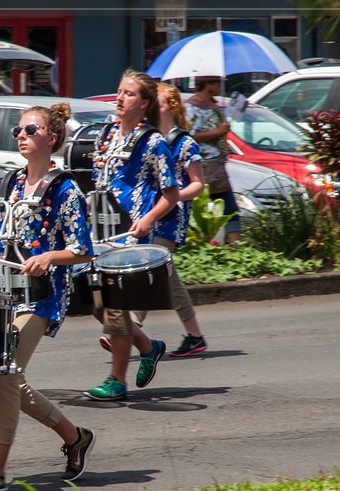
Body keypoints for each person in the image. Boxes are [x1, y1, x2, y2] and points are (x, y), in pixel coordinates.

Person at [0, 103, 95, 491]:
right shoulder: (11, 184)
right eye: (19, 130)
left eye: (30, 130)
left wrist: (48, 256)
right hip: (0, 292)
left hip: (42, 297)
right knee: (9, 378)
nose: (21, 135)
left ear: (51, 138)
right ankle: (75, 436)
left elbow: (82, 250)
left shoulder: (65, 189)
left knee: (3, 372)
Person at [83, 69, 179, 402]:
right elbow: (99, 183)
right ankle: (149, 347)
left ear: (144, 103)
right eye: (119, 91)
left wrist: (149, 220)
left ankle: (116, 379)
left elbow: (172, 194)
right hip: (100, 232)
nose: (120, 97)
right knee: (97, 305)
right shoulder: (106, 136)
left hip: (130, 236)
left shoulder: (153, 142)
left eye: (129, 93)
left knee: (114, 308)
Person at [99, 83, 208, 359]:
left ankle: (128, 327)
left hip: (169, 219)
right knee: (166, 278)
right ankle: (194, 335)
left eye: (156, 102)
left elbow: (198, 184)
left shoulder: (182, 142)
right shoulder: (144, 138)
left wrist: (170, 197)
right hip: (148, 218)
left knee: (143, 272)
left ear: (168, 106)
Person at [184, 75, 241, 244]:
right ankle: (195, 246)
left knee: (230, 210)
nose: (219, 87)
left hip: (217, 166)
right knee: (198, 212)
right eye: (216, 83)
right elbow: (189, 136)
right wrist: (217, 132)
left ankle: (236, 248)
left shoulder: (216, 107)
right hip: (201, 166)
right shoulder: (191, 108)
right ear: (207, 84)